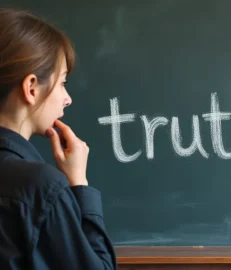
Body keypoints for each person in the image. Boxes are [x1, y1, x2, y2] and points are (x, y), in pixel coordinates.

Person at [0, 7, 117, 270]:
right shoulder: (40, 186)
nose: (68, 98)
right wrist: (79, 183)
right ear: (31, 88)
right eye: (63, 82)